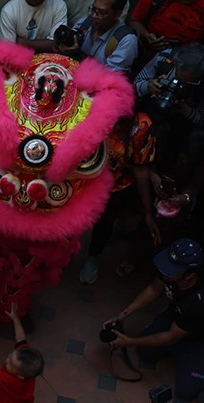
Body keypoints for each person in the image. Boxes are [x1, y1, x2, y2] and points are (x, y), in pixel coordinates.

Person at [105, 238, 204, 399]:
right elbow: (153, 289)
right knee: (145, 352)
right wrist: (122, 315)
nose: (164, 271)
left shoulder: (201, 300)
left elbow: (171, 337)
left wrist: (129, 341)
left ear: (189, 276)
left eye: (171, 270)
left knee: (186, 391)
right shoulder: (169, 273)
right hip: (178, 320)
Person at [79, 112, 158, 284]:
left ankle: (93, 256)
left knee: (104, 223)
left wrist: (148, 211)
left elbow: (141, 169)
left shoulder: (142, 125)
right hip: (80, 178)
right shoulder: (89, 109)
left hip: (115, 186)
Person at [129, 0, 204, 61]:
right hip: (148, 59)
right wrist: (147, 36)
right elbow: (135, 21)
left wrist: (197, 59)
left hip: (184, 70)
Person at [65, 0, 138, 74]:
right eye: (93, 9)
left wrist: (76, 55)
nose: (94, 16)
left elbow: (107, 78)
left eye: (102, 13)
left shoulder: (126, 41)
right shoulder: (84, 24)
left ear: (117, 15)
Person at [0, 0, 68, 53]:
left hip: (50, 63)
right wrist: (46, 44)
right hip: (19, 66)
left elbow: (58, 45)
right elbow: (7, 52)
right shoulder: (9, 11)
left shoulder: (59, 5)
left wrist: (23, 43)